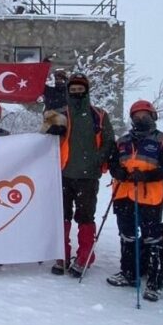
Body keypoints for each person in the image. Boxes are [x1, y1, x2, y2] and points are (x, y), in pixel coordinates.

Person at [105, 100, 163, 301]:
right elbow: (112, 161)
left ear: (153, 117)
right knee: (127, 235)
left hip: (149, 196)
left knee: (152, 238)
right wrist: (116, 170)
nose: (140, 119)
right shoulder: (123, 141)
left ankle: (154, 281)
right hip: (124, 194)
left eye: (144, 115)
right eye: (136, 116)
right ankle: (129, 273)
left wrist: (148, 175)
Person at [44, 72, 116, 277]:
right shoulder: (59, 113)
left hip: (87, 176)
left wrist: (97, 160)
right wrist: (51, 129)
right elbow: (43, 137)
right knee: (62, 215)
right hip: (64, 173)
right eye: (73, 89)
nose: (76, 92)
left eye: (80, 89)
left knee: (85, 217)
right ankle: (62, 255)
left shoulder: (99, 114)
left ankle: (85, 256)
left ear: (86, 90)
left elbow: (109, 141)